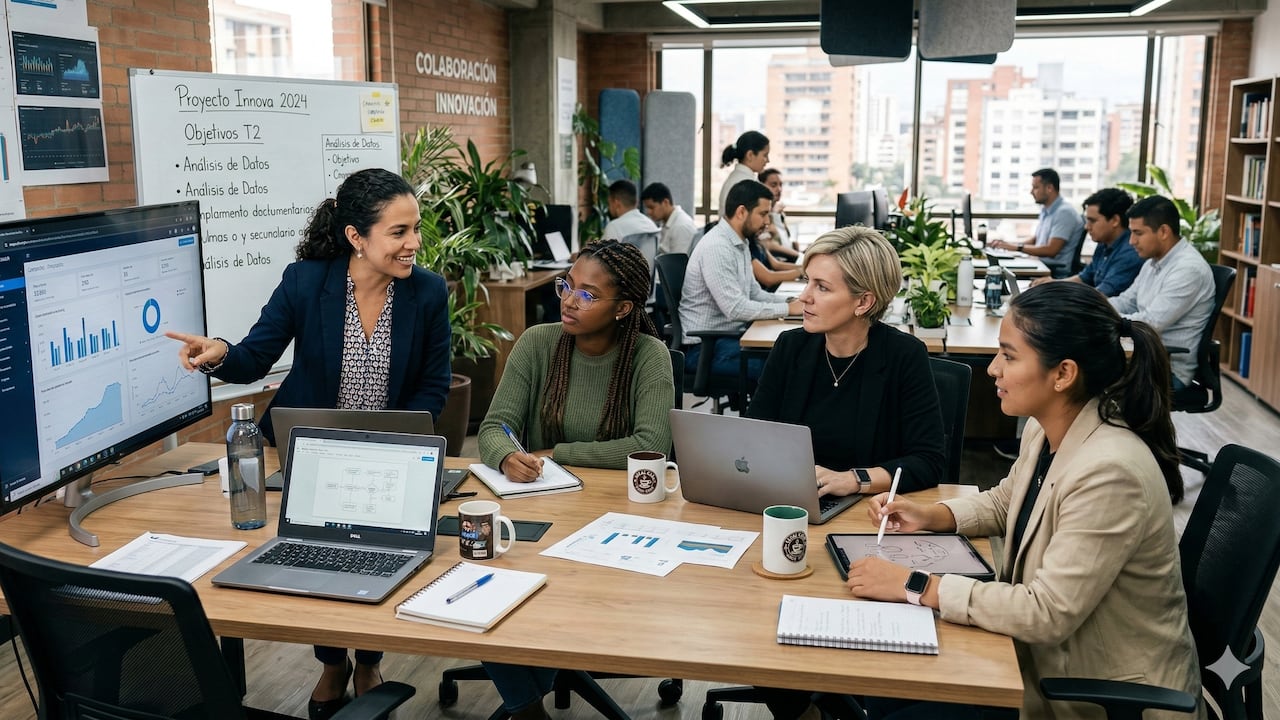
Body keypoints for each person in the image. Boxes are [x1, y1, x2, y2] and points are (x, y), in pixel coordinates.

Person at [166, 167, 451, 720]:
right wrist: (219, 349)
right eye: (398, 232)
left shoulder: (428, 292)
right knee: (318, 555)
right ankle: (331, 661)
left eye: (415, 228)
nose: (413, 242)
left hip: (389, 455)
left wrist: (396, 444)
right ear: (355, 237)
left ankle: (366, 660)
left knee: (379, 554)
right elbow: (255, 355)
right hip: (311, 453)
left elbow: (433, 385)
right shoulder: (306, 282)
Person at [850, 281, 1203, 720]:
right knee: (884, 685)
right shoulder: (1048, 427)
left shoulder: (1112, 471)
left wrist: (916, 585)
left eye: (1009, 356)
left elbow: (1046, 611)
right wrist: (930, 514)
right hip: (1036, 657)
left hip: (1089, 693)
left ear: (1063, 374)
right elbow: (1006, 502)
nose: (993, 369)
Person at [745, 225, 945, 720]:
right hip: (788, 512)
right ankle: (801, 709)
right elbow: (755, 435)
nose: (804, 296)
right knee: (747, 609)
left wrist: (853, 478)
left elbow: (929, 459)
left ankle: (832, 701)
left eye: (821, 287)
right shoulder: (792, 348)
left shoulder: (903, 357)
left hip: (866, 525)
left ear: (863, 302)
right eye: (806, 282)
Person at [476, 239, 674, 720]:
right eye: (568, 284)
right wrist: (506, 456)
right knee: (478, 569)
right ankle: (527, 707)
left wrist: (555, 453)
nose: (568, 299)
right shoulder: (538, 342)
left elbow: (650, 447)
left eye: (588, 294)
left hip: (619, 517)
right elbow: (494, 425)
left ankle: (528, 696)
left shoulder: (649, 355)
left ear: (623, 307)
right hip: (539, 509)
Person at [680, 179, 802, 380]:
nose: (766, 222)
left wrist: (793, 302)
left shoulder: (741, 243)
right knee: (783, 368)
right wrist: (789, 310)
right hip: (705, 350)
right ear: (741, 212)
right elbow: (735, 308)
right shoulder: (717, 247)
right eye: (763, 214)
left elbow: (755, 293)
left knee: (789, 353)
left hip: (728, 339)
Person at [1110, 194, 1214, 390]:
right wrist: (1093, 306)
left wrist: (1104, 317)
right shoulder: (1152, 262)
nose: (1131, 241)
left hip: (1165, 369)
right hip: (1142, 358)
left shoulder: (1188, 269)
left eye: (1138, 233)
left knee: (1082, 382)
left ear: (1164, 231)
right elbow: (1127, 301)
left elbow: (1151, 323)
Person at [1031, 187, 1142, 297]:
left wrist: (1057, 291)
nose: (1086, 227)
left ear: (1114, 221)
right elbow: (1084, 277)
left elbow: (1102, 294)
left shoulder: (1130, 252)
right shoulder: (1104, 243)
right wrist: (1054, 284)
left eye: (1092, 221)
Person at [989, 168, 1083, 279]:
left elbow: (1051, 250)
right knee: (1000, 268)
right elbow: (1036, 239)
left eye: (1035, 187)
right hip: (1041, 264)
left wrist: (1017, 248)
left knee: (999, 273)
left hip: (1054, 271)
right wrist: (1008, 245)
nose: (1031, 192)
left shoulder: (1064, 213)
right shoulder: (1046, 210)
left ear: (1049, 188)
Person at [718, 130, 770, 219]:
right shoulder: (743, 182)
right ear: (750, 155)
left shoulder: (741, 178)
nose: (768, 160)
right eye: (765, 155)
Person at [640, 181, 697, 255]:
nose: (648, 212)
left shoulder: (680, 226)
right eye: (647, 208)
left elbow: (678, 263)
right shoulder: (666, 221)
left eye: (651, 207)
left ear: (665, 202)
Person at [757, 168, 800, 259]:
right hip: (777, 263)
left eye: (781, 185)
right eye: (774, 185)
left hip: (789, 257)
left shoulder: (780, 213)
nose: (779, 189)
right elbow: (770, 245)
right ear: (761, 186)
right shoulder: (760, 214)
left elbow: (784, 242)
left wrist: (796, 249)